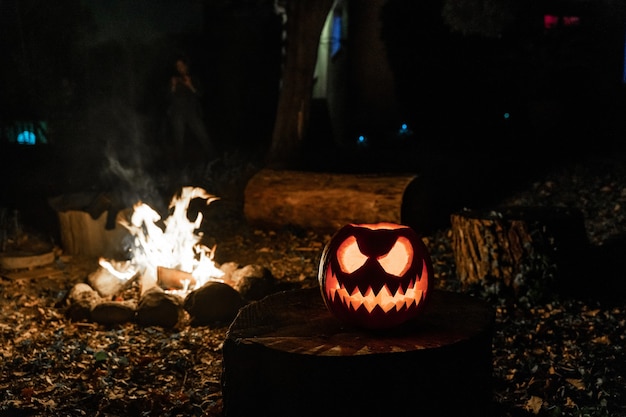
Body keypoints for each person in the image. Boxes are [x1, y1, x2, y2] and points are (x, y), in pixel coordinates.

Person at [167, 55, 218, 164]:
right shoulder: (175, 80)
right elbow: (168, 98)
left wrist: (190, 85)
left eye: (181, 65)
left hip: (192, 112)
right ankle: (180, 165)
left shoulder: (193, 78)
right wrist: (173, 86)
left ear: (186, 66)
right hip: (177, 113)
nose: (179, 68)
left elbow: (200, 94)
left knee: (203, 135)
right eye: (177, 66)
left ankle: (214, 159)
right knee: (178, 140)